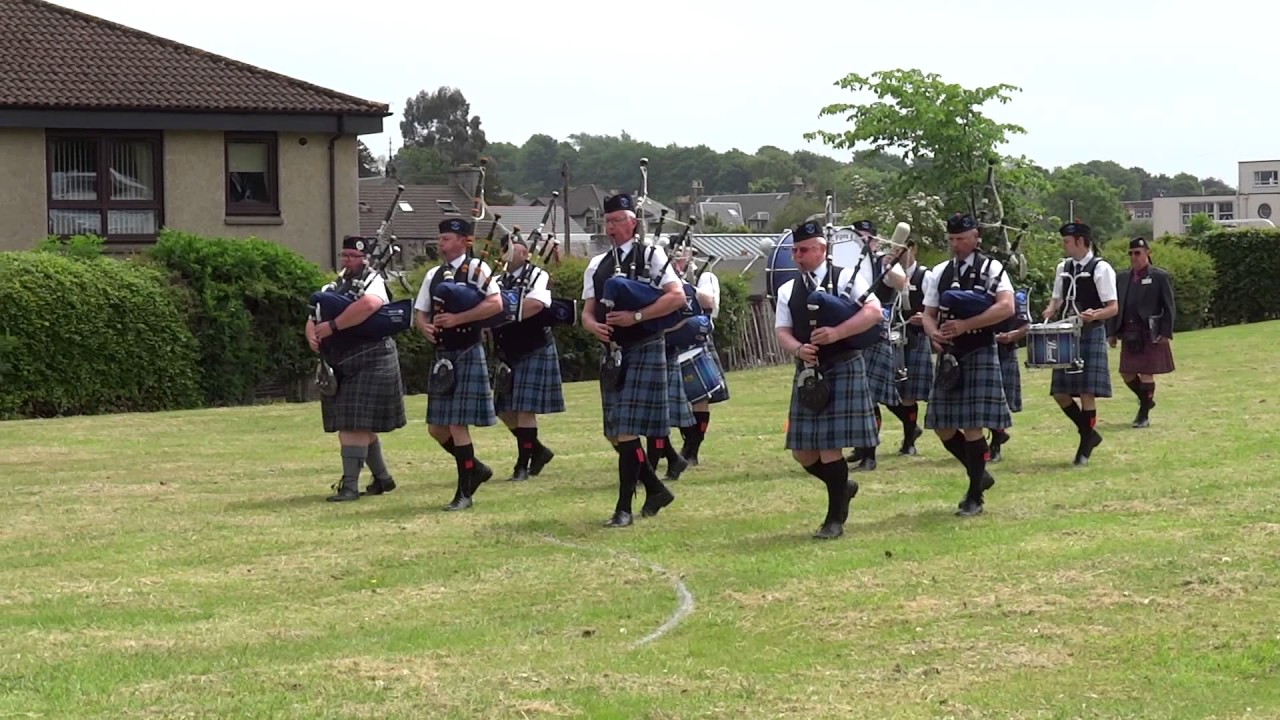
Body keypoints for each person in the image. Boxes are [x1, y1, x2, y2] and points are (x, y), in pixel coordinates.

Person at [582, 193, 686, 528]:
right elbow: (587, 311)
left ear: (633, 222)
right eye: (607, 221)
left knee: (626, 431)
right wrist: (594, 327)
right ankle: (656, 489)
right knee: (615, 433)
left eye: (617, 220)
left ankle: (624, 508)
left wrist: (637, 315)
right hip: (613, 353)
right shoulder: (596, 264)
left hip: (644, 346)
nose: (611, 226)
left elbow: (677, 297)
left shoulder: (653, 255)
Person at [775, 220, 882, 539]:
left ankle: (834, 519)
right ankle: (843, 486)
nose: (798, 255)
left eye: (804, 249)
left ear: (822, 249)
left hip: (844, 364)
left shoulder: (846, 277)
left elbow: (874, 312)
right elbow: (782, 330)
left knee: (829, 448)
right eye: (795, 250)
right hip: (809, 372)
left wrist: (838, 332)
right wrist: (797, 349)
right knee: (803, 453)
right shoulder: (787, 289)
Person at [922, 213, 1015, 517]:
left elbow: (1006, 307)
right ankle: (980, 473)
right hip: (950, 355)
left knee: (973, 426)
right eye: (951, 240)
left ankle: (975, 494)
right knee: (943, 426)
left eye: (961, 239)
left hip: (978, 350)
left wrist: (966, 325)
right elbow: (928, 312)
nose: (956, 245)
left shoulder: (992, 268)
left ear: (976, 238)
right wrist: (932, 331)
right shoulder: (940, 271)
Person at [307, 236, 408, 502]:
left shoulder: (374, 283)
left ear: (365, 259)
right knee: (358, 423)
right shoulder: (333, 285)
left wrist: (333, 326)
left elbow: (369, 305)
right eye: (345, 255)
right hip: (343, 361)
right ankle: (383, 479)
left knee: (352, 424)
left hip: (372, 356)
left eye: (353, 256)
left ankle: (350, 486)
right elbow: (313, 313)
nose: (348, 260)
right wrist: (312, 335)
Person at [413, 218, 504, 511]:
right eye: (440, 239)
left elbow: (496, 304)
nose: (442, 244)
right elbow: (420, 312)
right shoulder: (434, 275)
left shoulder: (478, 270)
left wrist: (458, 319)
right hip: (442, 356)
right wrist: (424, 328)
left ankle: (464, 492)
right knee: (437, 429)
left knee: (457, 424)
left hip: (466, 350)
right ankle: (474, 468)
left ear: (465, 241)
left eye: (448, 238)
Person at [1042, 221, 1119, 465]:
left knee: (1087, 391)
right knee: (1060, 392)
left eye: (1066, 241)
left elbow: (1113, 308)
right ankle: (1088, 433)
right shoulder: (1063, 268)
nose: (1063, 245)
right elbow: (1056, 300)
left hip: (1090, 331)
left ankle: (1085, 445)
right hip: (1067, 333)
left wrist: (1094, 315)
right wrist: (1049, 312)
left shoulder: (1101, 268)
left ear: (1080, 241)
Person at [490, 236, 563, 481]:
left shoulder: (537, 275)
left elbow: (537, 304)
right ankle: (539, 451)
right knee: (502, 409)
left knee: (524, 408)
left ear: (525, 253)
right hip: (508, 349)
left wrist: (505, 315)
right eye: (505, 248)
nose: (507, 252)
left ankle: (523, 465)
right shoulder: (497, 279)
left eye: (513, 247)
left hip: (534, 346)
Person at [1108, 237, 1176, 428]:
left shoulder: (1159, 276)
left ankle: (1143, 415)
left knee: (1147, 374)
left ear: (1148, 253)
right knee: (1126, 373)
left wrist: (1165, 332)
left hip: (1150, 332)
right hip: (1129, 332)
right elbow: (1116, 306)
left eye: (1138, 253)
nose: (1134, 257)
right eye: (1131, 253)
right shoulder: (1122, 278)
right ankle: (1147, 399)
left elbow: (1169, 307)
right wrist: (1112, 331)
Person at [674, 247, 729, 467]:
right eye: (674, 252)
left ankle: (693, 449)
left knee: (699, 398)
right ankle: (683, 447)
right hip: (671, 342)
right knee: (677, 401)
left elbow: (710, 303)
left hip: (698, 340)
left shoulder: (705, 276)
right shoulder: (664, 276)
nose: (678, 256)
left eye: (682, 252)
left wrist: (685, 286)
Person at [889, 239, 931, 456]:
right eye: (894, 249)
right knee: (888, 392)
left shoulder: (926, 276)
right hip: (894, 339)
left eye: (901, 250)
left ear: (913, 249)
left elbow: (938, 307)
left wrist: (925, 317)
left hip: (917, 338)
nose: (897, 253)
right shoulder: (890, 276)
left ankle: (909, 442)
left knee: (908, 394)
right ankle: (912, 429)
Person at [989, 288, 1032, 462]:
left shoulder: (1016, 297)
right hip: (980, 348)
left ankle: (996, 445)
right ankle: (998, 436)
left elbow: (1027, 325)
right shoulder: (976, 294)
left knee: (1001, 400)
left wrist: (1013, 335)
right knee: (986, 399)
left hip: (1005, 351)